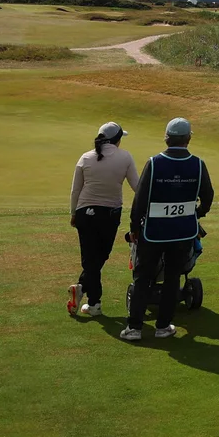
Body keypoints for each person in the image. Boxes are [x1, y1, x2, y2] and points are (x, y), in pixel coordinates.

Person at [122, 118, 214, 341]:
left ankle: (134, 328)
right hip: (183, 232)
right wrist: (197, 213)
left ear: (167, 138)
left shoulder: (154, 163)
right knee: (173, 277)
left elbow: (139, 200)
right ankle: (163, 327)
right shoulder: (198, 164)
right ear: (188, 139)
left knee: (143, 277)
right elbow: (208, 196)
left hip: (153, 232)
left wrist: (134, 227)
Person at [68, 122, 138, 317]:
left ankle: (82, 288)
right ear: (117, 140)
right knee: (99, 257)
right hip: (109, 214)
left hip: (84, 212)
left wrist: (73, 213)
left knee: (91, 258)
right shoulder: (125, 157)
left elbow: (75, 190)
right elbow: (137, 187)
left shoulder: (85, 157)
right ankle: (93, 302)